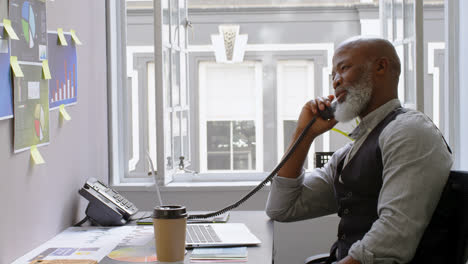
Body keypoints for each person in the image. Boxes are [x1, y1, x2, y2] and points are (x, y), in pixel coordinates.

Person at [265, 36, 453, 264]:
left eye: (343, 68)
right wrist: (305, 134)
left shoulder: (408, 132)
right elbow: (282, 207)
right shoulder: (353, 150)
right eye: (333, 74)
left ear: (381, 67)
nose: (335, 81)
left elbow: (392, 236)